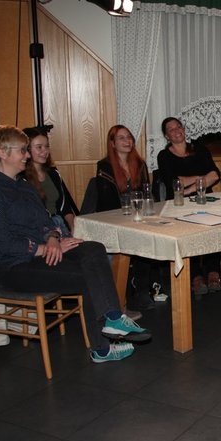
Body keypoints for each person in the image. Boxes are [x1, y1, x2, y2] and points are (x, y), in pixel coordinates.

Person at [0, 125, 151, 363]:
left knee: (94, 248)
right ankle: (102, 347)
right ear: (2, 153)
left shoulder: (24, 186)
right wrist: (45, 248)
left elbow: (46, 221)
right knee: (88, 277)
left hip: (42, 254)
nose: (27, 155)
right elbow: (3, 243)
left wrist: (53, 238)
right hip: (12, 266)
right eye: (22, 150)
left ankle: (113, 318)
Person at [92, 125, 157, 313]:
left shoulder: (140, 164)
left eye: (129, 137)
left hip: (137, 216)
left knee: (148, 238)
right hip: (113, 218)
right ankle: (123, 294)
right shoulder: (105, 166)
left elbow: (146, 194)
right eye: (121, 138)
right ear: (112, 143)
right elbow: (107, 202)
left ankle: (141, 290)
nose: (127, 141)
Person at [156, 117, 221, 295]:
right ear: (166, 135)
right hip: (178, 204)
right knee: (186, 236)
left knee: (212, 230)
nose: (177, 130)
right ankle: (195, 275)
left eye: (179, 127)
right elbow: (174, 182)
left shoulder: (199, 149)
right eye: (171, 129)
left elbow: (215, 175)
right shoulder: (164, 156)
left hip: (204, 199)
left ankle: (213, 270)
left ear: (184, 129)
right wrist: (201, 179)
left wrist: (189, 188)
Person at [22, 126, 79, 235]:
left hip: (60, 224)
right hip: (42, 230)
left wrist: (73, 227)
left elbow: (65, 207)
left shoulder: (54, 174)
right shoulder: (22, 179)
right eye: (39, 147)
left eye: (47, 146)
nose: (45, 151)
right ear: (27, 150)